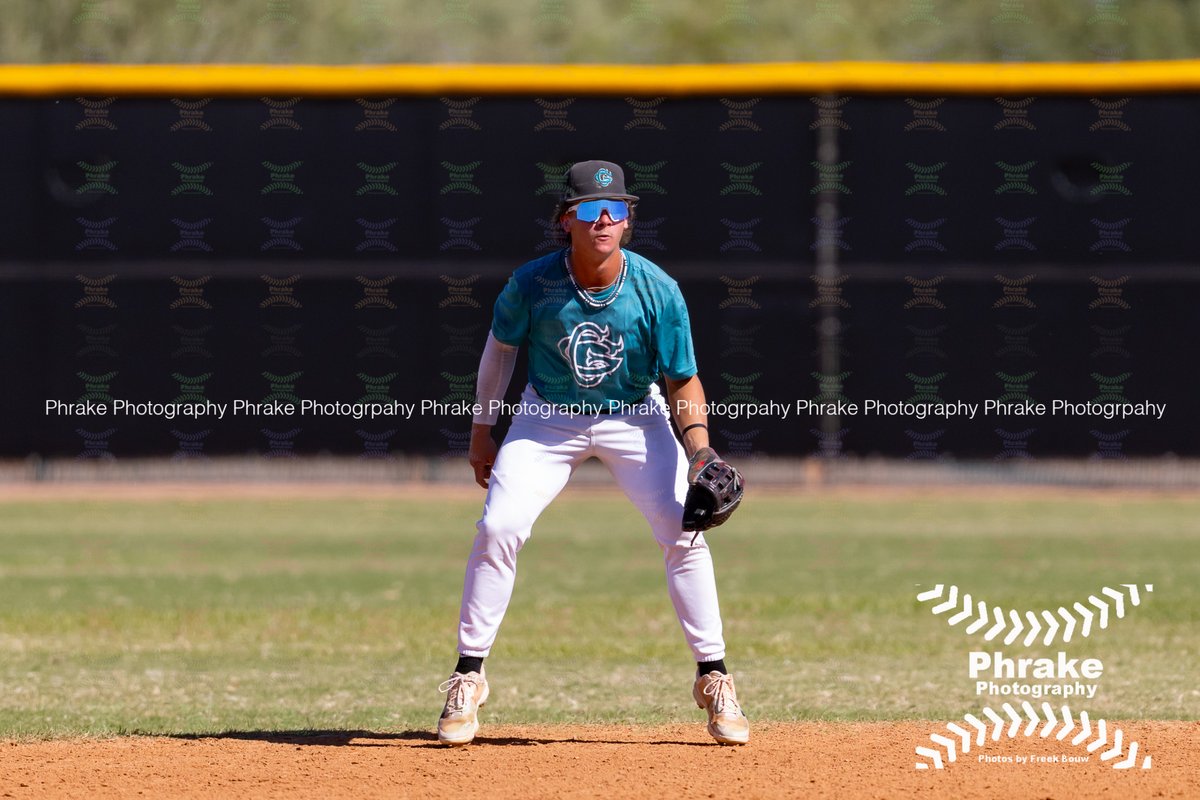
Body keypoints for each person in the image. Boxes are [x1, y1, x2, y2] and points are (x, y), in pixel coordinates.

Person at [436, 160, 749, 747]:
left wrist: (701, 451)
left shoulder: (658, 289)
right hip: (547, 416)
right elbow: (500, 352)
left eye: (616, 209)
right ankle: (468, 676)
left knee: (684, 530)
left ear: (628, 220)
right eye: (588, 208)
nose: (603, 218)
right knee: (499, 525)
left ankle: (714, 678)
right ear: (566, 220)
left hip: (634, 414)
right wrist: (483, 428)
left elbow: (683, 379)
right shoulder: (532, 283)